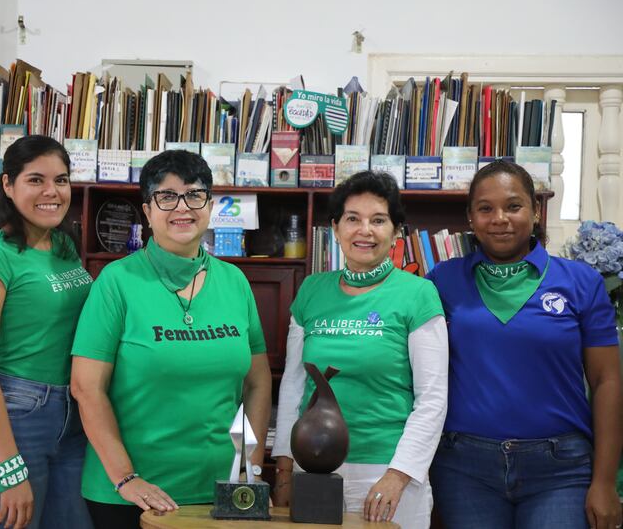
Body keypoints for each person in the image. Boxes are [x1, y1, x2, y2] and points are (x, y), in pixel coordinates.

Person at [70, 150, 272, 529]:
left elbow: (257, 382)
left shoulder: (235, 282)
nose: (183, 207)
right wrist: (126, 478)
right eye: (167, 196)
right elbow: (86, 387)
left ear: (210, 206)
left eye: (195, 195)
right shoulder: (116, 282)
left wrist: (250, 465)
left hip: (219, 490)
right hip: (130, 494)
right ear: (147, 211)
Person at [427, 160, 623, 529]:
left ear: (535, 212)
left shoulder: (581, 282)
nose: (499, 218)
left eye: (513, 206)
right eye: (485, 208)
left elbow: (607, 382)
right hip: (464, 470)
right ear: (471, 218)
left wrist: (604, 482)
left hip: (561, 470)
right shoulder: (442, 280)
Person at [273, 171, 449, 528]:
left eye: (378, 220)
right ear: (336, 228)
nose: (364, 230)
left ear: (396, 232)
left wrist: (399, 475)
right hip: (314, 472)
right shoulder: (311, 290)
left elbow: (433, 397)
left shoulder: (418, 294)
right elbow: (293, 385)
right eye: (353, 219)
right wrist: (285, 469)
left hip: (387, 474)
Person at [0, 135, 93, 529]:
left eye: (61, 180)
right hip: (13, 417)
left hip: (72, 419)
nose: (52, 192)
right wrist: (9, 469)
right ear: (8, 185)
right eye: (36, 180)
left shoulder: (63, 243)